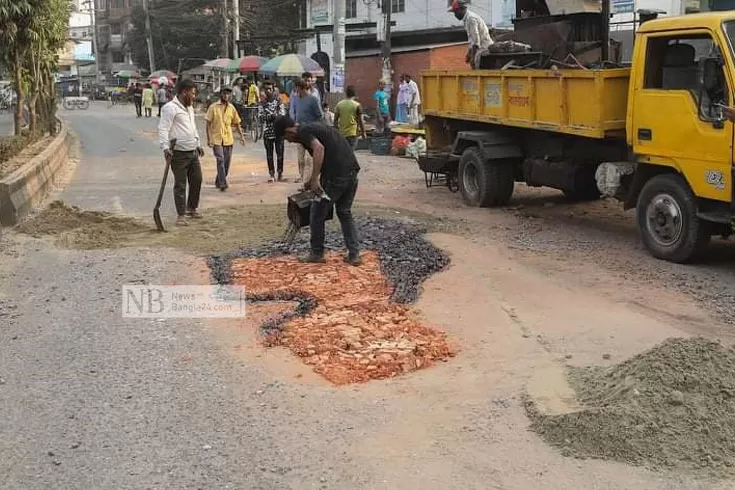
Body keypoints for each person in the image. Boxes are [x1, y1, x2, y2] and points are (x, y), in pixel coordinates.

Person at [274, 115, 361, 266]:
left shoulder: (303, 132)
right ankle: (354, 254)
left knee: (317, 212)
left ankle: (317, 253)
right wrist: (311, 181)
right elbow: (327, 152)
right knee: (344, 211)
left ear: (288, 131)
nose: (288, 141)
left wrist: (314, 180)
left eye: (285, 138)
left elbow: (319, 148)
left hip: (336, 176)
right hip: (351, 171)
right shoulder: (313, 126)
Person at [158, 79, 205, 226]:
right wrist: (165, 148)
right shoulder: (170, 108)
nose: (194, 96)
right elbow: (163, 128)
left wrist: (198, 143)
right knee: (180, 184)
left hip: (192, 151)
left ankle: (192, 208)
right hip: (178, 153)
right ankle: (181, 215)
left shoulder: (189, 108)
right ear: (184, 92)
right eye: (192, 93)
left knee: (197, 179)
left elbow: (193, 127)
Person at [205, 87, 245, 192]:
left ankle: (219, 180)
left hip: (228, 139)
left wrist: (241, 136)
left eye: (228, 94)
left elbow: (237, 123)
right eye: (224, 94)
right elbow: (208, 124)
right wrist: (209, 139)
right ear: (221, 94)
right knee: (220, 160)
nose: (226, 96)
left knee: (226, 163)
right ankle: (223, 183)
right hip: (216, 139)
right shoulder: (213, 107)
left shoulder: (232, 108)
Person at [293, 79, 323, 183]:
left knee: (310, 158)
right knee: (300, 157)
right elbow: (297, 114)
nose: (294, 90)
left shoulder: (313, 99)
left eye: (295, 88)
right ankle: (301, 176)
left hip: (311, 132)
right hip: (299, 131)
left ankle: (310, 179)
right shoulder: (297, 99)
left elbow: (320, 116)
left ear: (300, 88)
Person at [449, 0, 494, 69]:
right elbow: (472, 40)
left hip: (484, 49)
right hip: (481, 48)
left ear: (462, 9)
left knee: (476, 68)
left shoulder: (471, 19)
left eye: (456, 12)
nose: (455, 15)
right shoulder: (467, 19)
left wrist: (472, 57)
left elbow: (476, 41)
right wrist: (469, 54)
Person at [258, 81, 286, 182]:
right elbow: (261, 117)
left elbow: (282, 114)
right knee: (269, 155)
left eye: (270, 88)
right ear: (264, 90)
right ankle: (271, 174)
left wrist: (272, 116)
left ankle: (280, 173)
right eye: (266, 89)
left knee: (280, 153)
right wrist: (272, 116)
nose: (268, 91)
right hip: (267, 132)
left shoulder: (278, 100)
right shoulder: (262, 103)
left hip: (279, 132)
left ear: (273, 89)